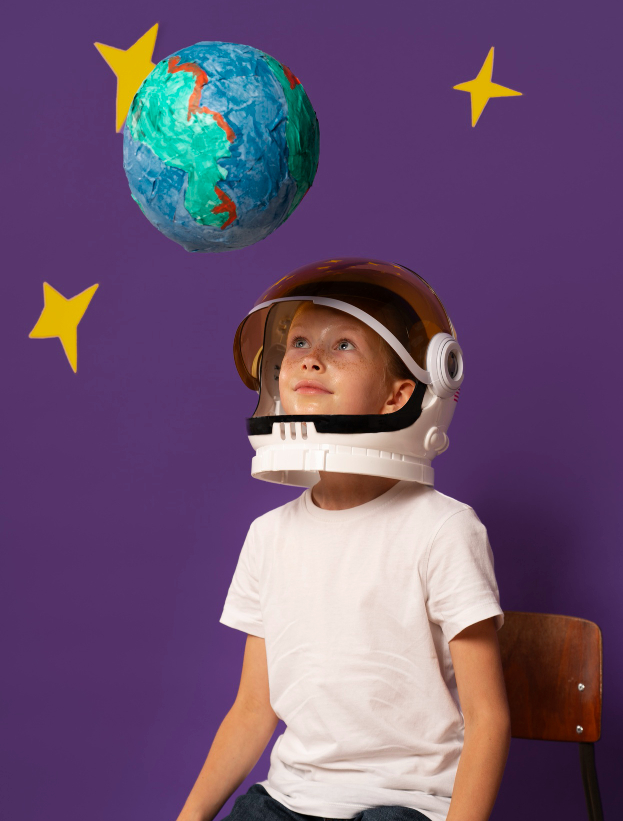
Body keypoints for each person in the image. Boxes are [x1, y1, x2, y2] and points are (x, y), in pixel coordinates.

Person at [176, 259, 511, 821]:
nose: (310, 358)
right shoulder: (268, 536)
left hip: (403, 805)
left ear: (398, 394)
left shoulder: (444, 529)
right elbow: (253, 711)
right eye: (299, 342)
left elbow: (488, 719)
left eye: (344, 345)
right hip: (289, 801)